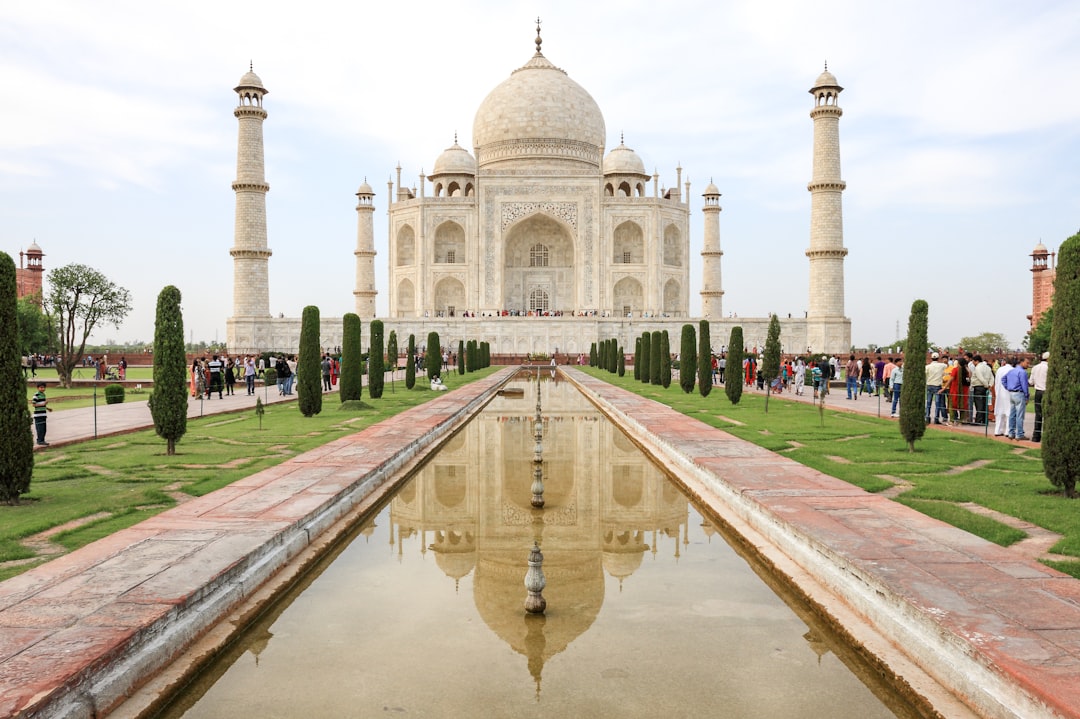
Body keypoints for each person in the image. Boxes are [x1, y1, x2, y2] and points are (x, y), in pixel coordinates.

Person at [1003, 357, 1031, 440]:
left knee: (1012, 414)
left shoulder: (1012, 371)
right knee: (1020, 415)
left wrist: (1008, 387)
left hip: (1012, 393)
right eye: (1027, 363)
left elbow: (1003, 379)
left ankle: (1011, 432)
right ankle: (1019, 434)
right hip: (1019, 393)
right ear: (1021, 362)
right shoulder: (1022, 372)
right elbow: (1024, 385)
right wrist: (1027, 396)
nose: (1028, 365)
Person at [1029, 352, 1049, 442]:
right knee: (1048, 414)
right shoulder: (1049, 368)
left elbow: (1031, 382)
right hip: (1046, 391)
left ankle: (1036, 436)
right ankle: (1047, 435)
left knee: (1038, 414)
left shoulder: (1035, 367)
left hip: (1038, 392)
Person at [969, 355, 993, 426]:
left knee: (979, 404)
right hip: (986, 387)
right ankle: (984, 420)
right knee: (985, 404)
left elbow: (981, 378)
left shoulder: (978, 368)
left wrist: (986, 384)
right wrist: (989, 385)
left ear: (976, 361)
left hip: (979, 387)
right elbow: (992, 377)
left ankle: (978, 420)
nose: (973, 363)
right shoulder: (988, 367)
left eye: (973, 361)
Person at [992, 357, 1013, 436]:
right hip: (1008, 393)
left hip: (999, 393)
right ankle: (1007, 431)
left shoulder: (1000, 370)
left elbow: (996, 382)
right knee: (1009, 412)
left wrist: (997, 392)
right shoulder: (1012, 370)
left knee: (999, 412)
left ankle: (997, 430)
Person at [925, 352, 947, 425]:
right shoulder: (942, 365)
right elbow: (946, 365)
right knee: (937, 403)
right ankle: (936, 418)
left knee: (928, 403)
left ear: (931, 358)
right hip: (937, 385)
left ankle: (927, 417)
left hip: (929, 385)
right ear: (938, 358)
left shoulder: (927, 366)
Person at [31, 381, 51, 446]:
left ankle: (42, 440)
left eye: (44, 387)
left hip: (43, 414)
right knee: (40, 428)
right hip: (38, 415)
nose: (43, 389)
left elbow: (42, 404)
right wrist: (43, 404)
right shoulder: (36, 395)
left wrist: (47, 408)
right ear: (38, 388)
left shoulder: (43, 395)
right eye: (41, 387)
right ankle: (40, 440)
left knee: (44, 429)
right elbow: (34, 405)